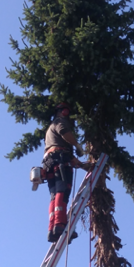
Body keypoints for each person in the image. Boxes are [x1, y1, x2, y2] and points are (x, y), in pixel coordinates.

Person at [42, 102, 92, 243]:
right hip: (59, 160)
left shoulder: (51, 135)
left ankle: (52, 228)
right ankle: (59, 225)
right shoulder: (59, 122)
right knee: (62, 192)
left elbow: (67, 156)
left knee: (54, 195)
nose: (67, 114)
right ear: (61, 111)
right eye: (66, 111)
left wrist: (83, 166)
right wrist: (77, 145)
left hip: (50, 162)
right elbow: (65, 132)